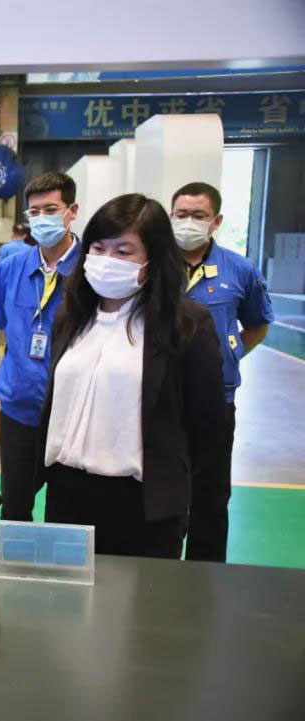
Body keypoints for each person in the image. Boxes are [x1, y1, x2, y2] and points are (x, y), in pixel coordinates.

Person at [37, 193, 224, 558]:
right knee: (70, 594)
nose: (107, 261)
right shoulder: (72, 316)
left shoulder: (186, 324)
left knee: (141, 595)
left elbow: (207, 424)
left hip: (142, 504)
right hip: (67, 494)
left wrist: (168, 472)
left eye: (123, 252)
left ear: (154, 260)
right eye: (98, 248)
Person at [170, 181, 274, 562]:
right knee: (162, 496)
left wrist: (227, 357)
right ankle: (158, 569)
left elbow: (258, 325)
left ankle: (205, 575)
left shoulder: (240, 270)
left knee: (211, 498)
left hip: (215, 402)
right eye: (181, 215)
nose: (189, 222)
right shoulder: (154, 267)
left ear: (216, 221)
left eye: (198, 215)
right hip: (162, 400)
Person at [0, 171, 81, 522]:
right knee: (15, 507)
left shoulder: (90, 270)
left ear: (71, 212)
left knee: (68, 512)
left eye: (50, 209)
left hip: (73, 414)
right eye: (34, 212)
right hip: (19, 410)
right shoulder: (11, 268)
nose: (41, 218)